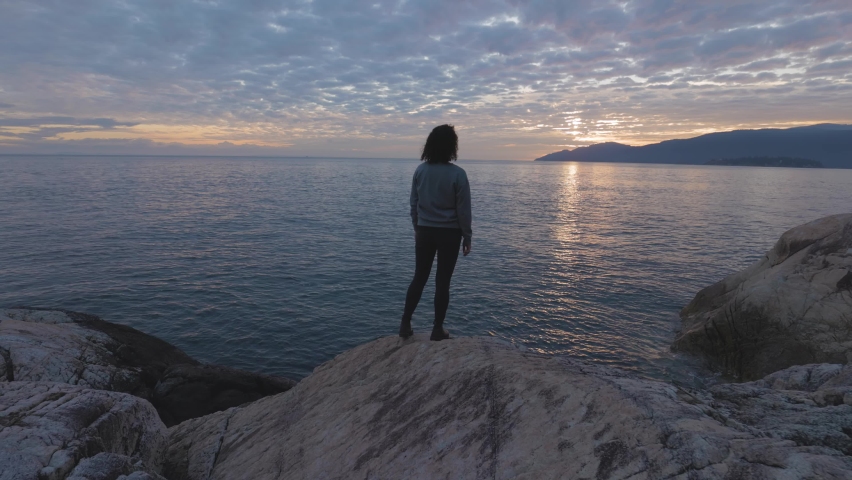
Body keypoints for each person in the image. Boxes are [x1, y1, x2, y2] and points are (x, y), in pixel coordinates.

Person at [399, 124, 472, 341]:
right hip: (450, 234)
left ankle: (405, 323)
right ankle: (437, 329)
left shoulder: (420, 171)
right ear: (452, 146)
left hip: (424, 231)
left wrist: (417, 227)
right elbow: (463, 210)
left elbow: (414, 204)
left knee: (419, 277)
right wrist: (467, 236)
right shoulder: (458, 174)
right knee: (443, 282)